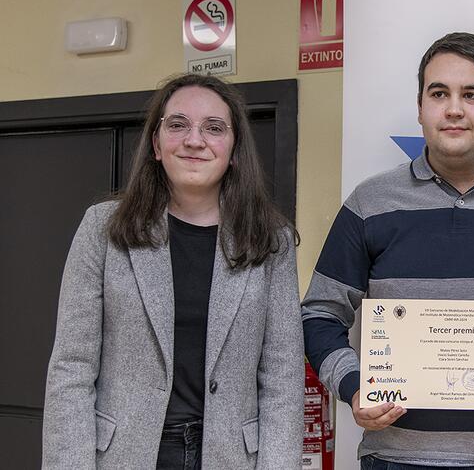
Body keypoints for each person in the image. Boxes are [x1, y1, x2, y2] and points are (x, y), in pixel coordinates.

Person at [302, 32, 474, 467]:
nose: (453, 109)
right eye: (439, 93)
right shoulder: (369, 203)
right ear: (419, 107)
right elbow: (320, 313)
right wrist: (354, 385)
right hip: (398, 457)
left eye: (472, 94)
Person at [42, 73, 305, 469]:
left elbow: (283, 380)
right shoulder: (103, 229)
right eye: (178, 124)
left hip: (231, 457)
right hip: (122, 455)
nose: (194, 140)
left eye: (214, 128)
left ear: (234, 150)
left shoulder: (271, 241)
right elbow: (71, 369)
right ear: (156, 144)